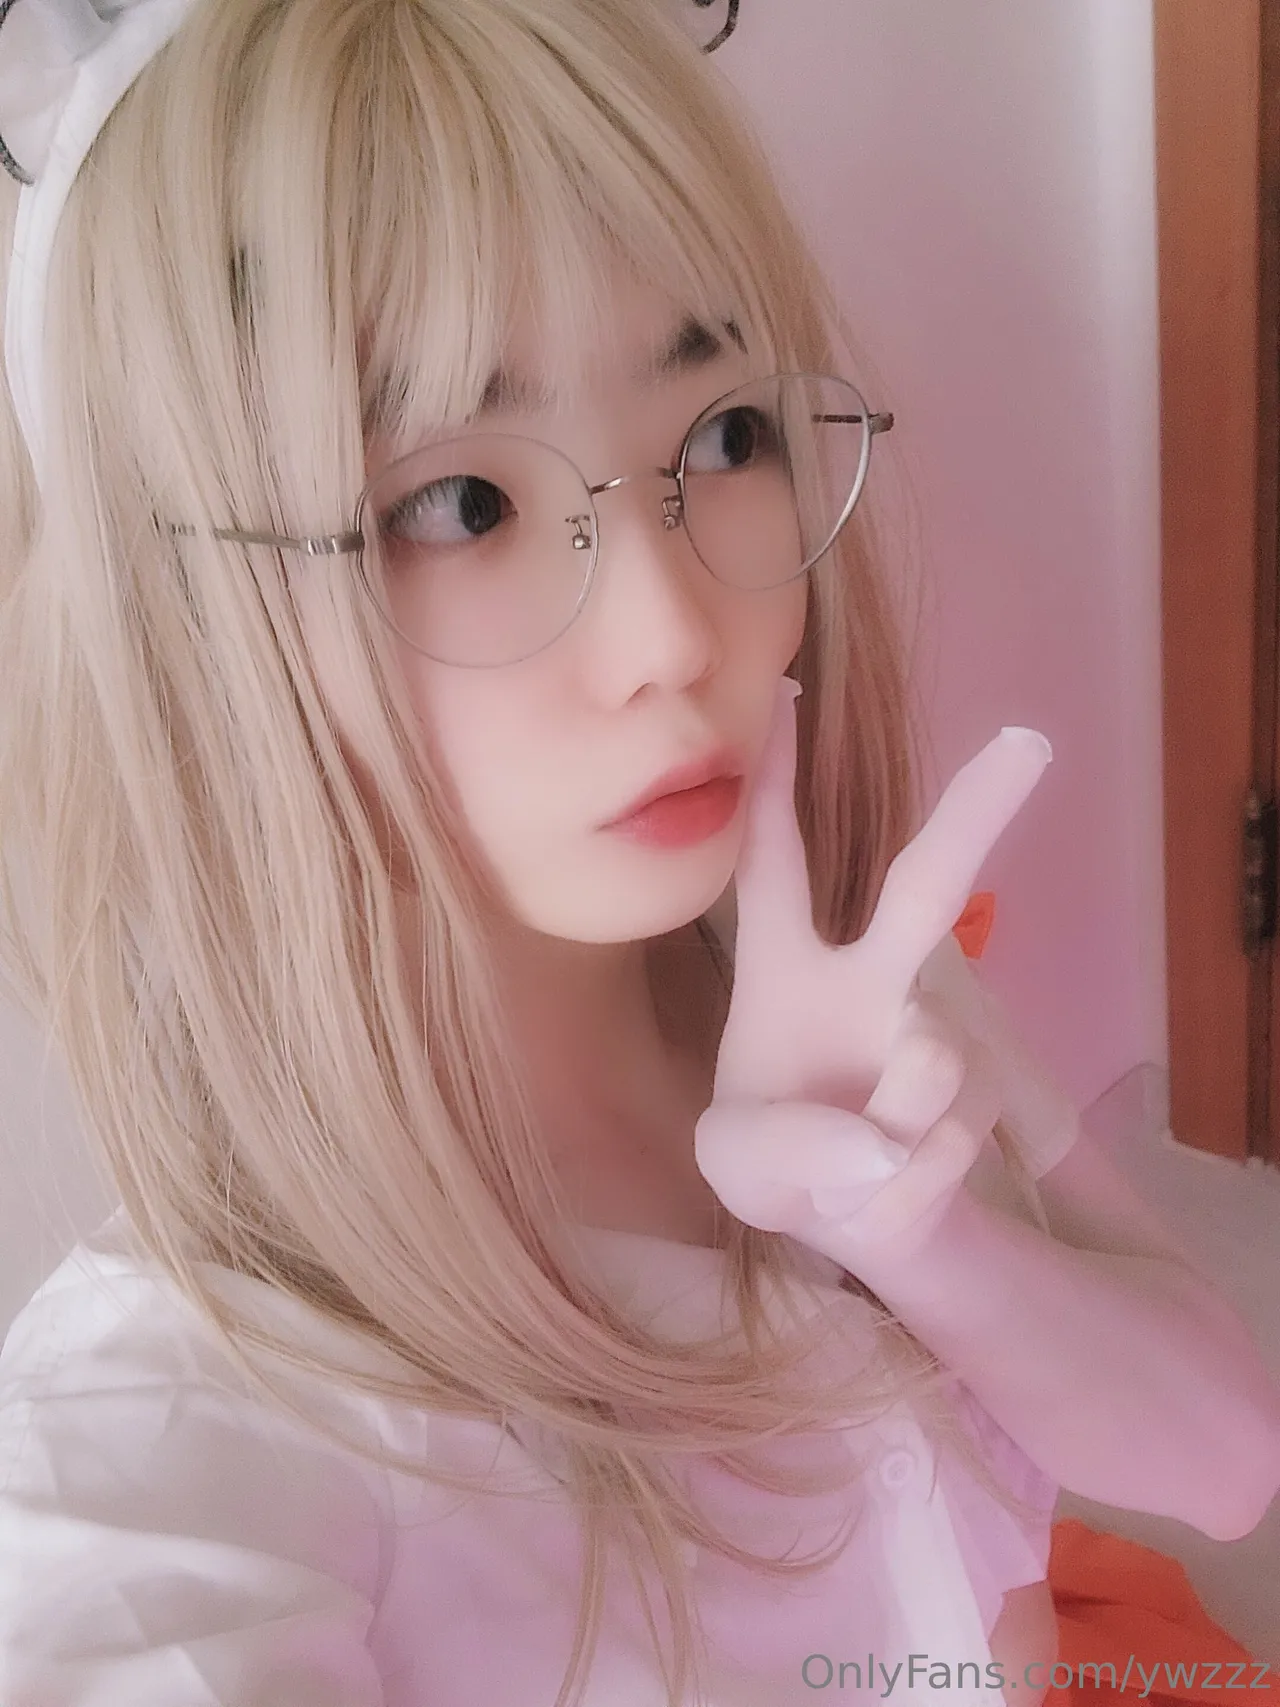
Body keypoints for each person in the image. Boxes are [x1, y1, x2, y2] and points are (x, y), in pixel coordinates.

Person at [0, 0, 1277, 1703]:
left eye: (724, 434)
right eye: (458, 504)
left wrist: (919, 1235)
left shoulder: (824, 990)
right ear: (183, 625)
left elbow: (1226, 1462)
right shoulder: (178, 1417)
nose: (676, 631)